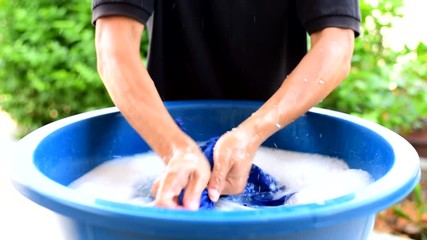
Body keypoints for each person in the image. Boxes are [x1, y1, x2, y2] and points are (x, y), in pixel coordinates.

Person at [91, 0, 360, 210]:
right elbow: (114, 49)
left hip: (280, 142)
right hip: (166, 149)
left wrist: (251, 133)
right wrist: (175, 149)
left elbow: (336, 45)